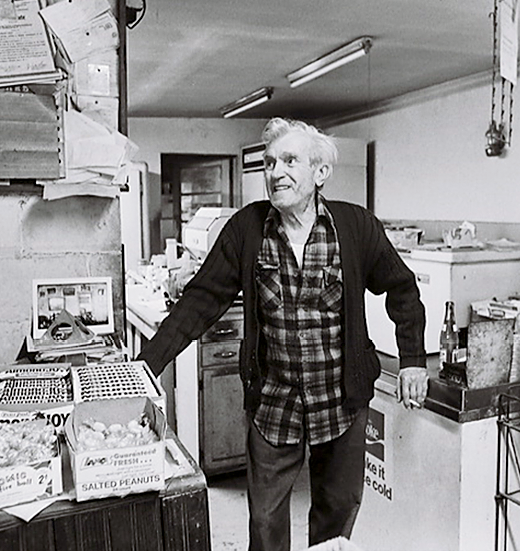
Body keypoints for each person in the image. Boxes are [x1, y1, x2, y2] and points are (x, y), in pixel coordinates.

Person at [137, 117, 427, 551]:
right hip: (274, 405)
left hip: (342, 402)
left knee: (337, 513)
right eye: (270, 163)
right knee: (266, 522)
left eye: (290, 161)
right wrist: (146, 366)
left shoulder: (356, 228)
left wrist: (413, 361)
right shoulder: (246, 229)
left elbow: (402, 288)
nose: (276, 172)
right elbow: (201, 300)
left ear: (320, 173)